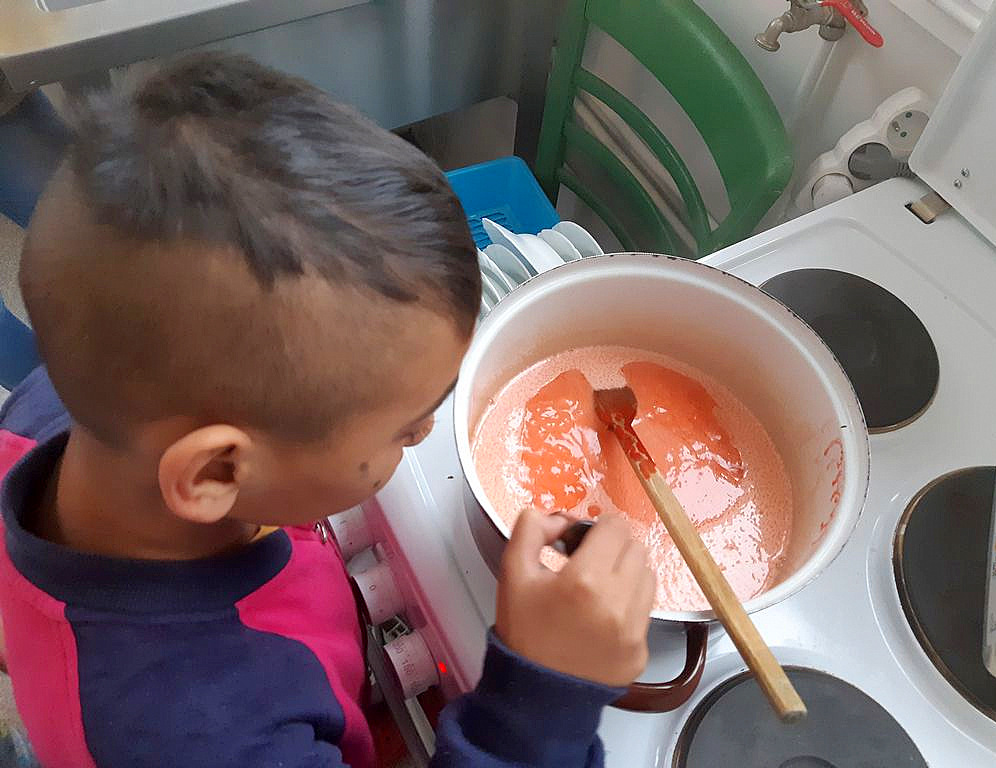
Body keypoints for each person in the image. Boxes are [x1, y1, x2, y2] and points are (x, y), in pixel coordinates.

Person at [0, 53, 656, 767]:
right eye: (404, 427)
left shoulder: (75, 409)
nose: (426, 432)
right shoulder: (207, 736)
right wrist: (538, 706)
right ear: (217, 472)